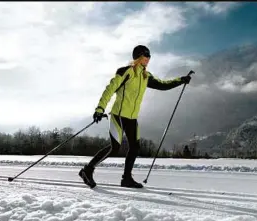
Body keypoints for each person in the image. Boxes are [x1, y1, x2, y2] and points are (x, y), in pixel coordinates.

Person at [79, 45, 191, 188]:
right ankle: (87, 170)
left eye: (149, 56)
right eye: (146, 55)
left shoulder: (146, 76)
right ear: (138, 57)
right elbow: (110, 89)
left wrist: (181, 80)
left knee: (135, 147)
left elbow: (163, 85)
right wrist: (100, 108)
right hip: (118, 115)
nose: (149, 58)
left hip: (132, 118)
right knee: (114, 148)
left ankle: (126, 179)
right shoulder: (126, 71)